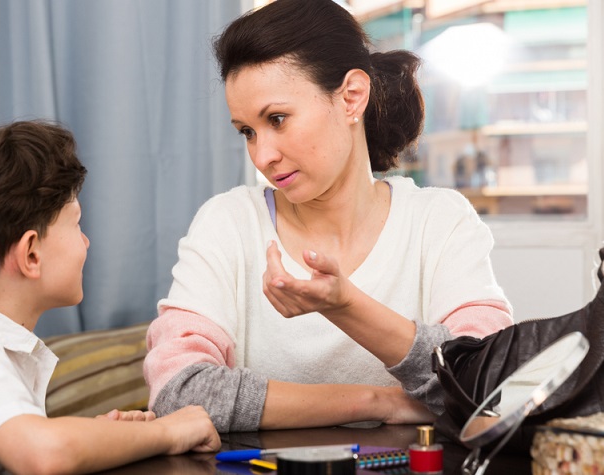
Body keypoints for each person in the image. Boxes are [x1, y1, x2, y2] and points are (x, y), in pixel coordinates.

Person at [143, 0, 514, 433]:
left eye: (277, 119)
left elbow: (491, 386)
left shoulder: (440, 222)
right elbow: (178, 391)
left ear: (351, 97)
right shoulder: (228, 223)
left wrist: (346, 306)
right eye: (247, 131)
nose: (263, 155)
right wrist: (375, 401)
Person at [0, 121, 220, 475]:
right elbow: (44, 455)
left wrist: (99, 435)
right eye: (76, 224)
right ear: (31, 255)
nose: (86, 242)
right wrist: (168, 432)